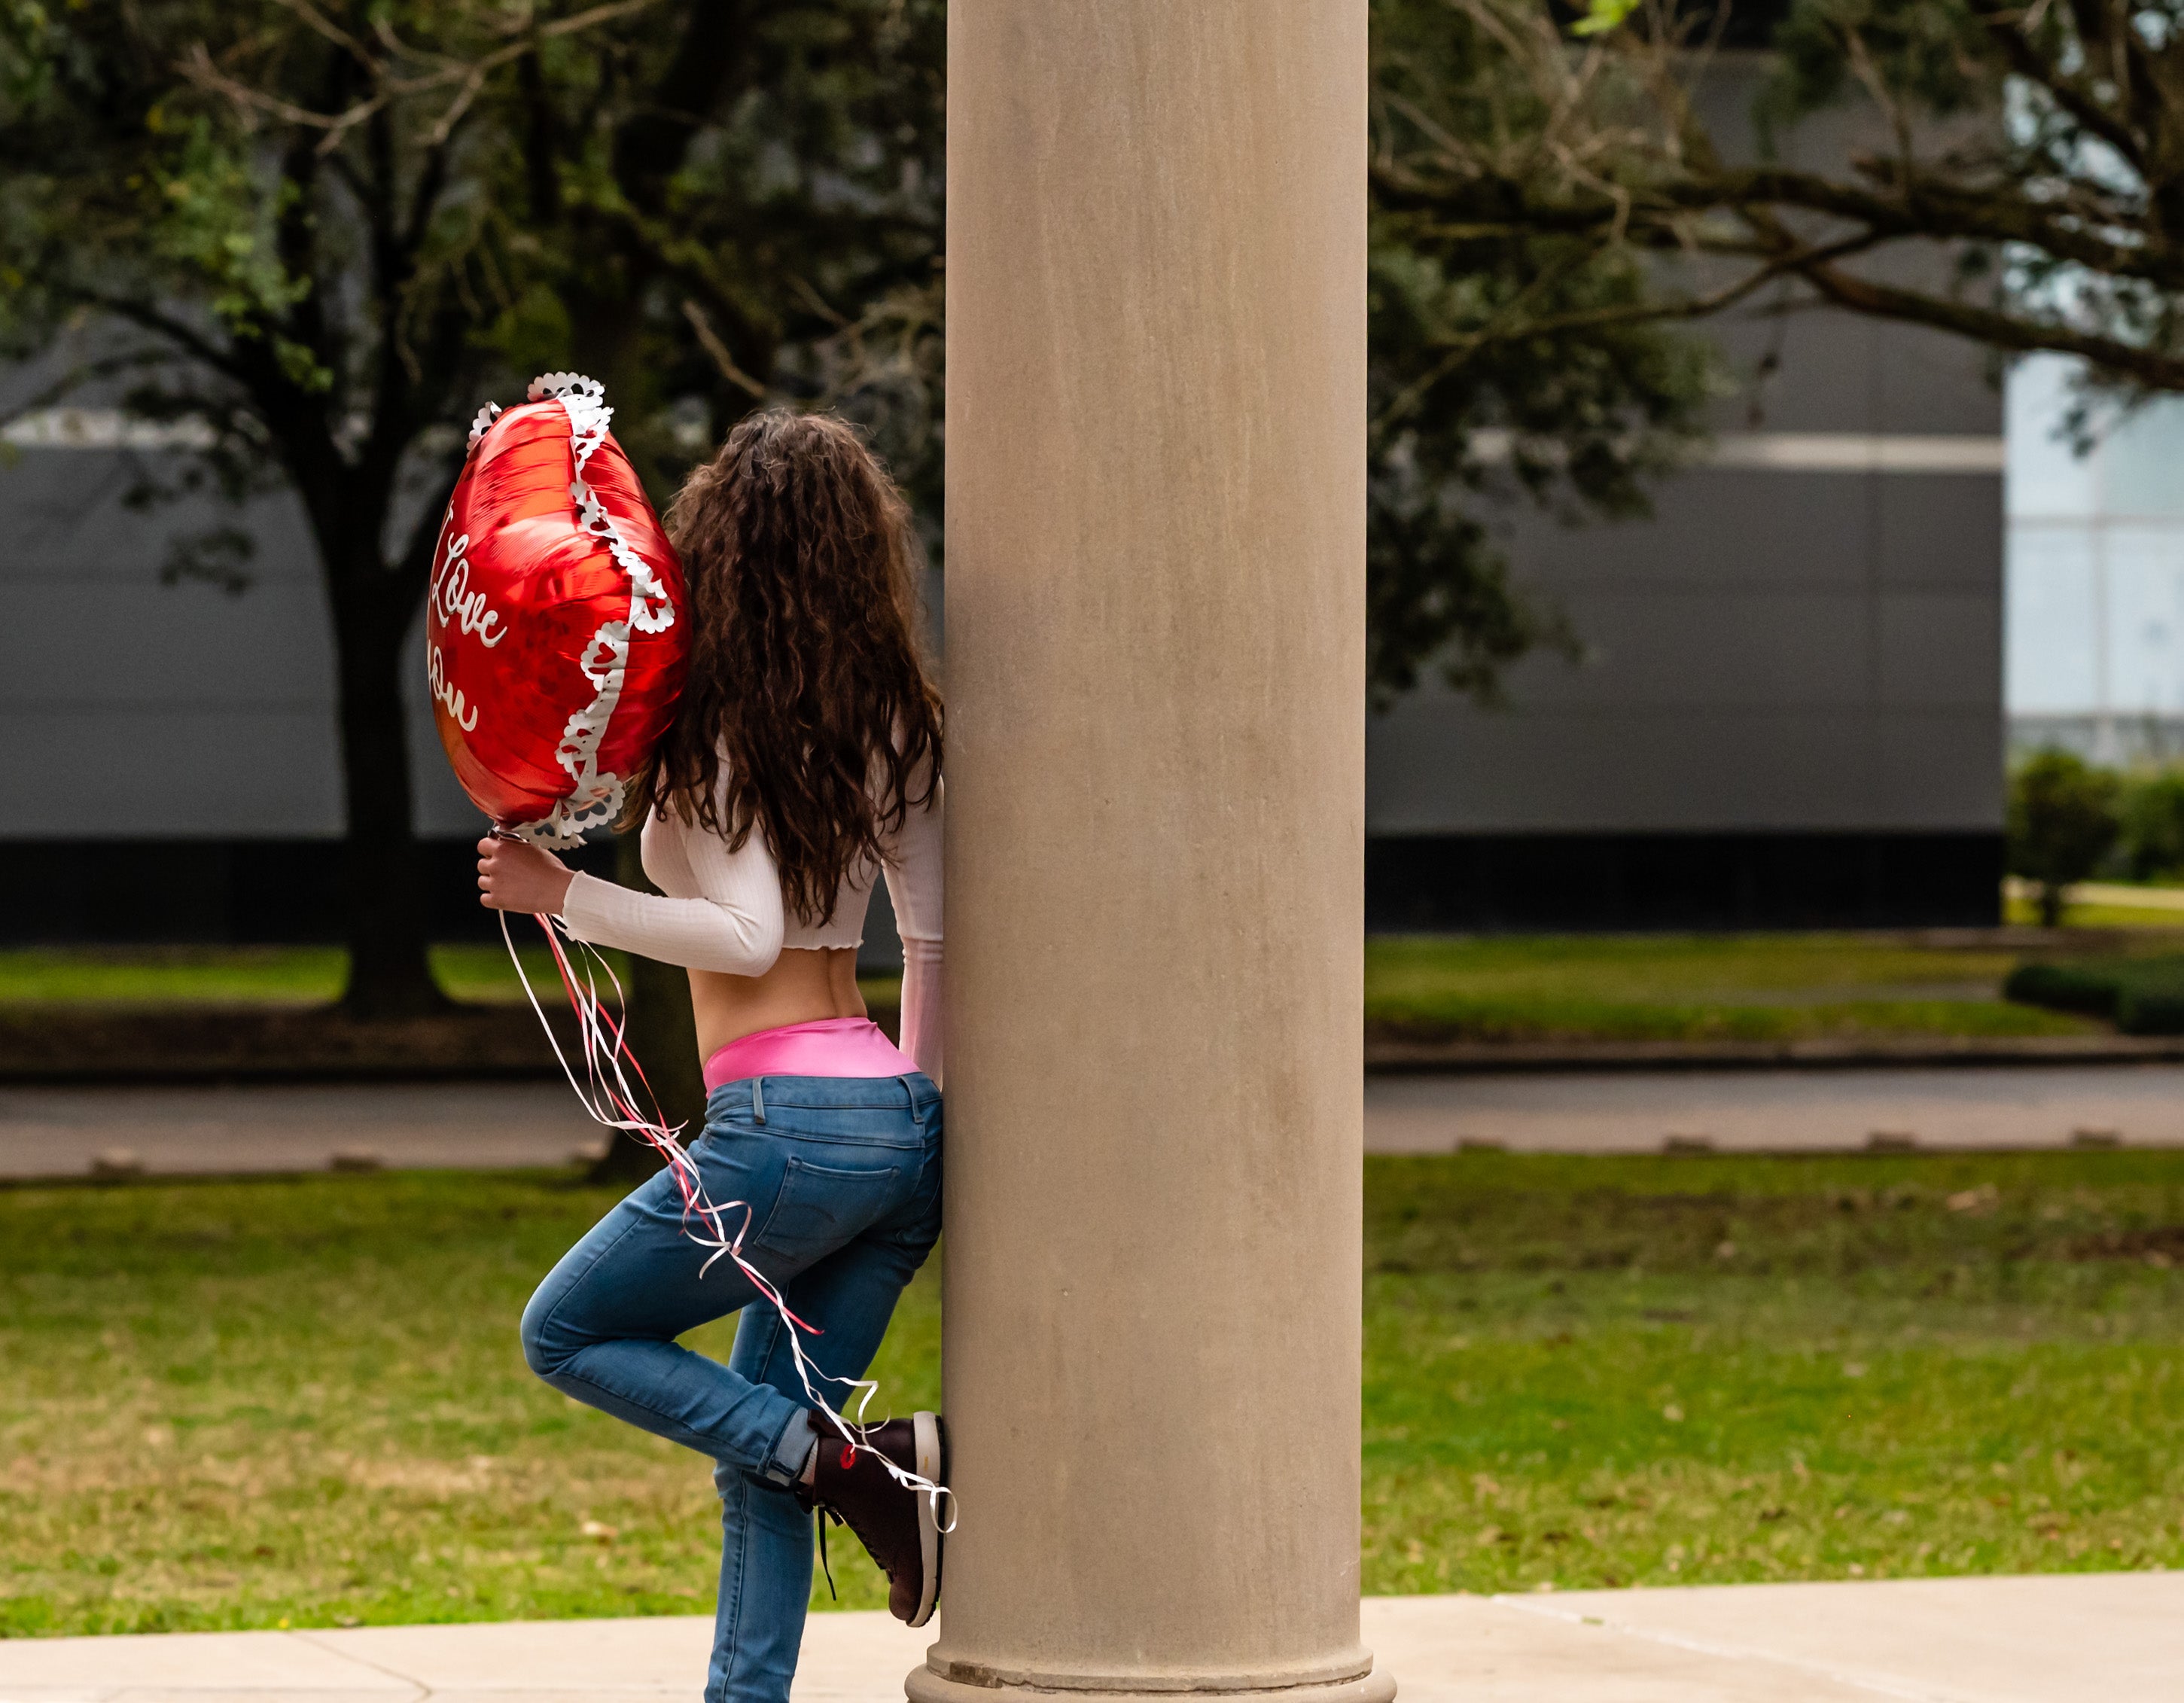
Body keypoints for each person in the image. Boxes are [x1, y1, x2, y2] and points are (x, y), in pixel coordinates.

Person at [477, 410, 946, 1703]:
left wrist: (553, 892)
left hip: (783, 1126)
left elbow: (739, 939)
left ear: (717, 549)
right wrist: (925, 1125)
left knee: (564, 1330)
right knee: (761, 1464)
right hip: (893, 1124)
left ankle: (859, 1468)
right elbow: (939, 938)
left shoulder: (727, 733)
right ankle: (785, 1596)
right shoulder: (892, 723)